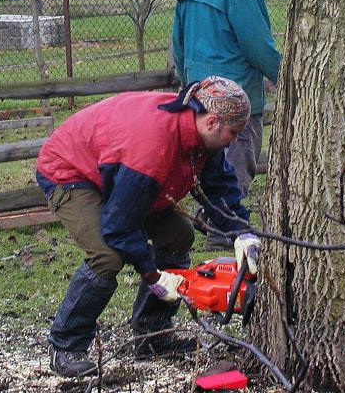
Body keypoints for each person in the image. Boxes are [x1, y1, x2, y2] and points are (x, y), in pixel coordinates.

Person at [36, 77, 263, 377]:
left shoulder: (200, 134)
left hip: (118, 172)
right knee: (107, 256)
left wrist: (242, 232)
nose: (235, 140)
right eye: (233, 133)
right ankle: (65, 346)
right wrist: (153, 275)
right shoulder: (152, 148)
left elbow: (220, 187)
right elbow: (119, 226)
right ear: (212, 122)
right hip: (71, 172)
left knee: (179, 234)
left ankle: (151, 333)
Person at [171, 0, 281, 247]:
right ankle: (224, 229)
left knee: (207, 162)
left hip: (199, 94)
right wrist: (283, 76)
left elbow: (178, 43)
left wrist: (188, 82)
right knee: (239, 156)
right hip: (237, 96)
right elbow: (257, 44)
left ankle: (208, 220)